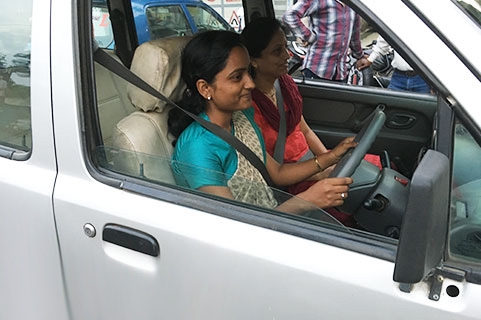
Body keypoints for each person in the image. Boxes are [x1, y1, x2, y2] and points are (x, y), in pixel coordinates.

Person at [168, 30, 357, 214]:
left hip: (273, 216)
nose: (250, 83)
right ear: (205, 88)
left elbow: (278, 173)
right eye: (237, 77)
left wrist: (331, 157)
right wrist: (307, 201)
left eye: (248, 72)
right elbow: (237, 228)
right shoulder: (198, 148)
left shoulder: (242, 117)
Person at [282, 0, 364, 82]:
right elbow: (289, 16)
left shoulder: (353, 6)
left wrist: (360, 57)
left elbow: (354, 37)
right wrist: (309, 36)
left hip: (340, 73)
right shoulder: (319, 1)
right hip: (317, 70)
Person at [356, 34, 431, 93]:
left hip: (423, 78)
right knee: (390, 107)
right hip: (398, 77)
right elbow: (384, 39)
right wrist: (370, 59)